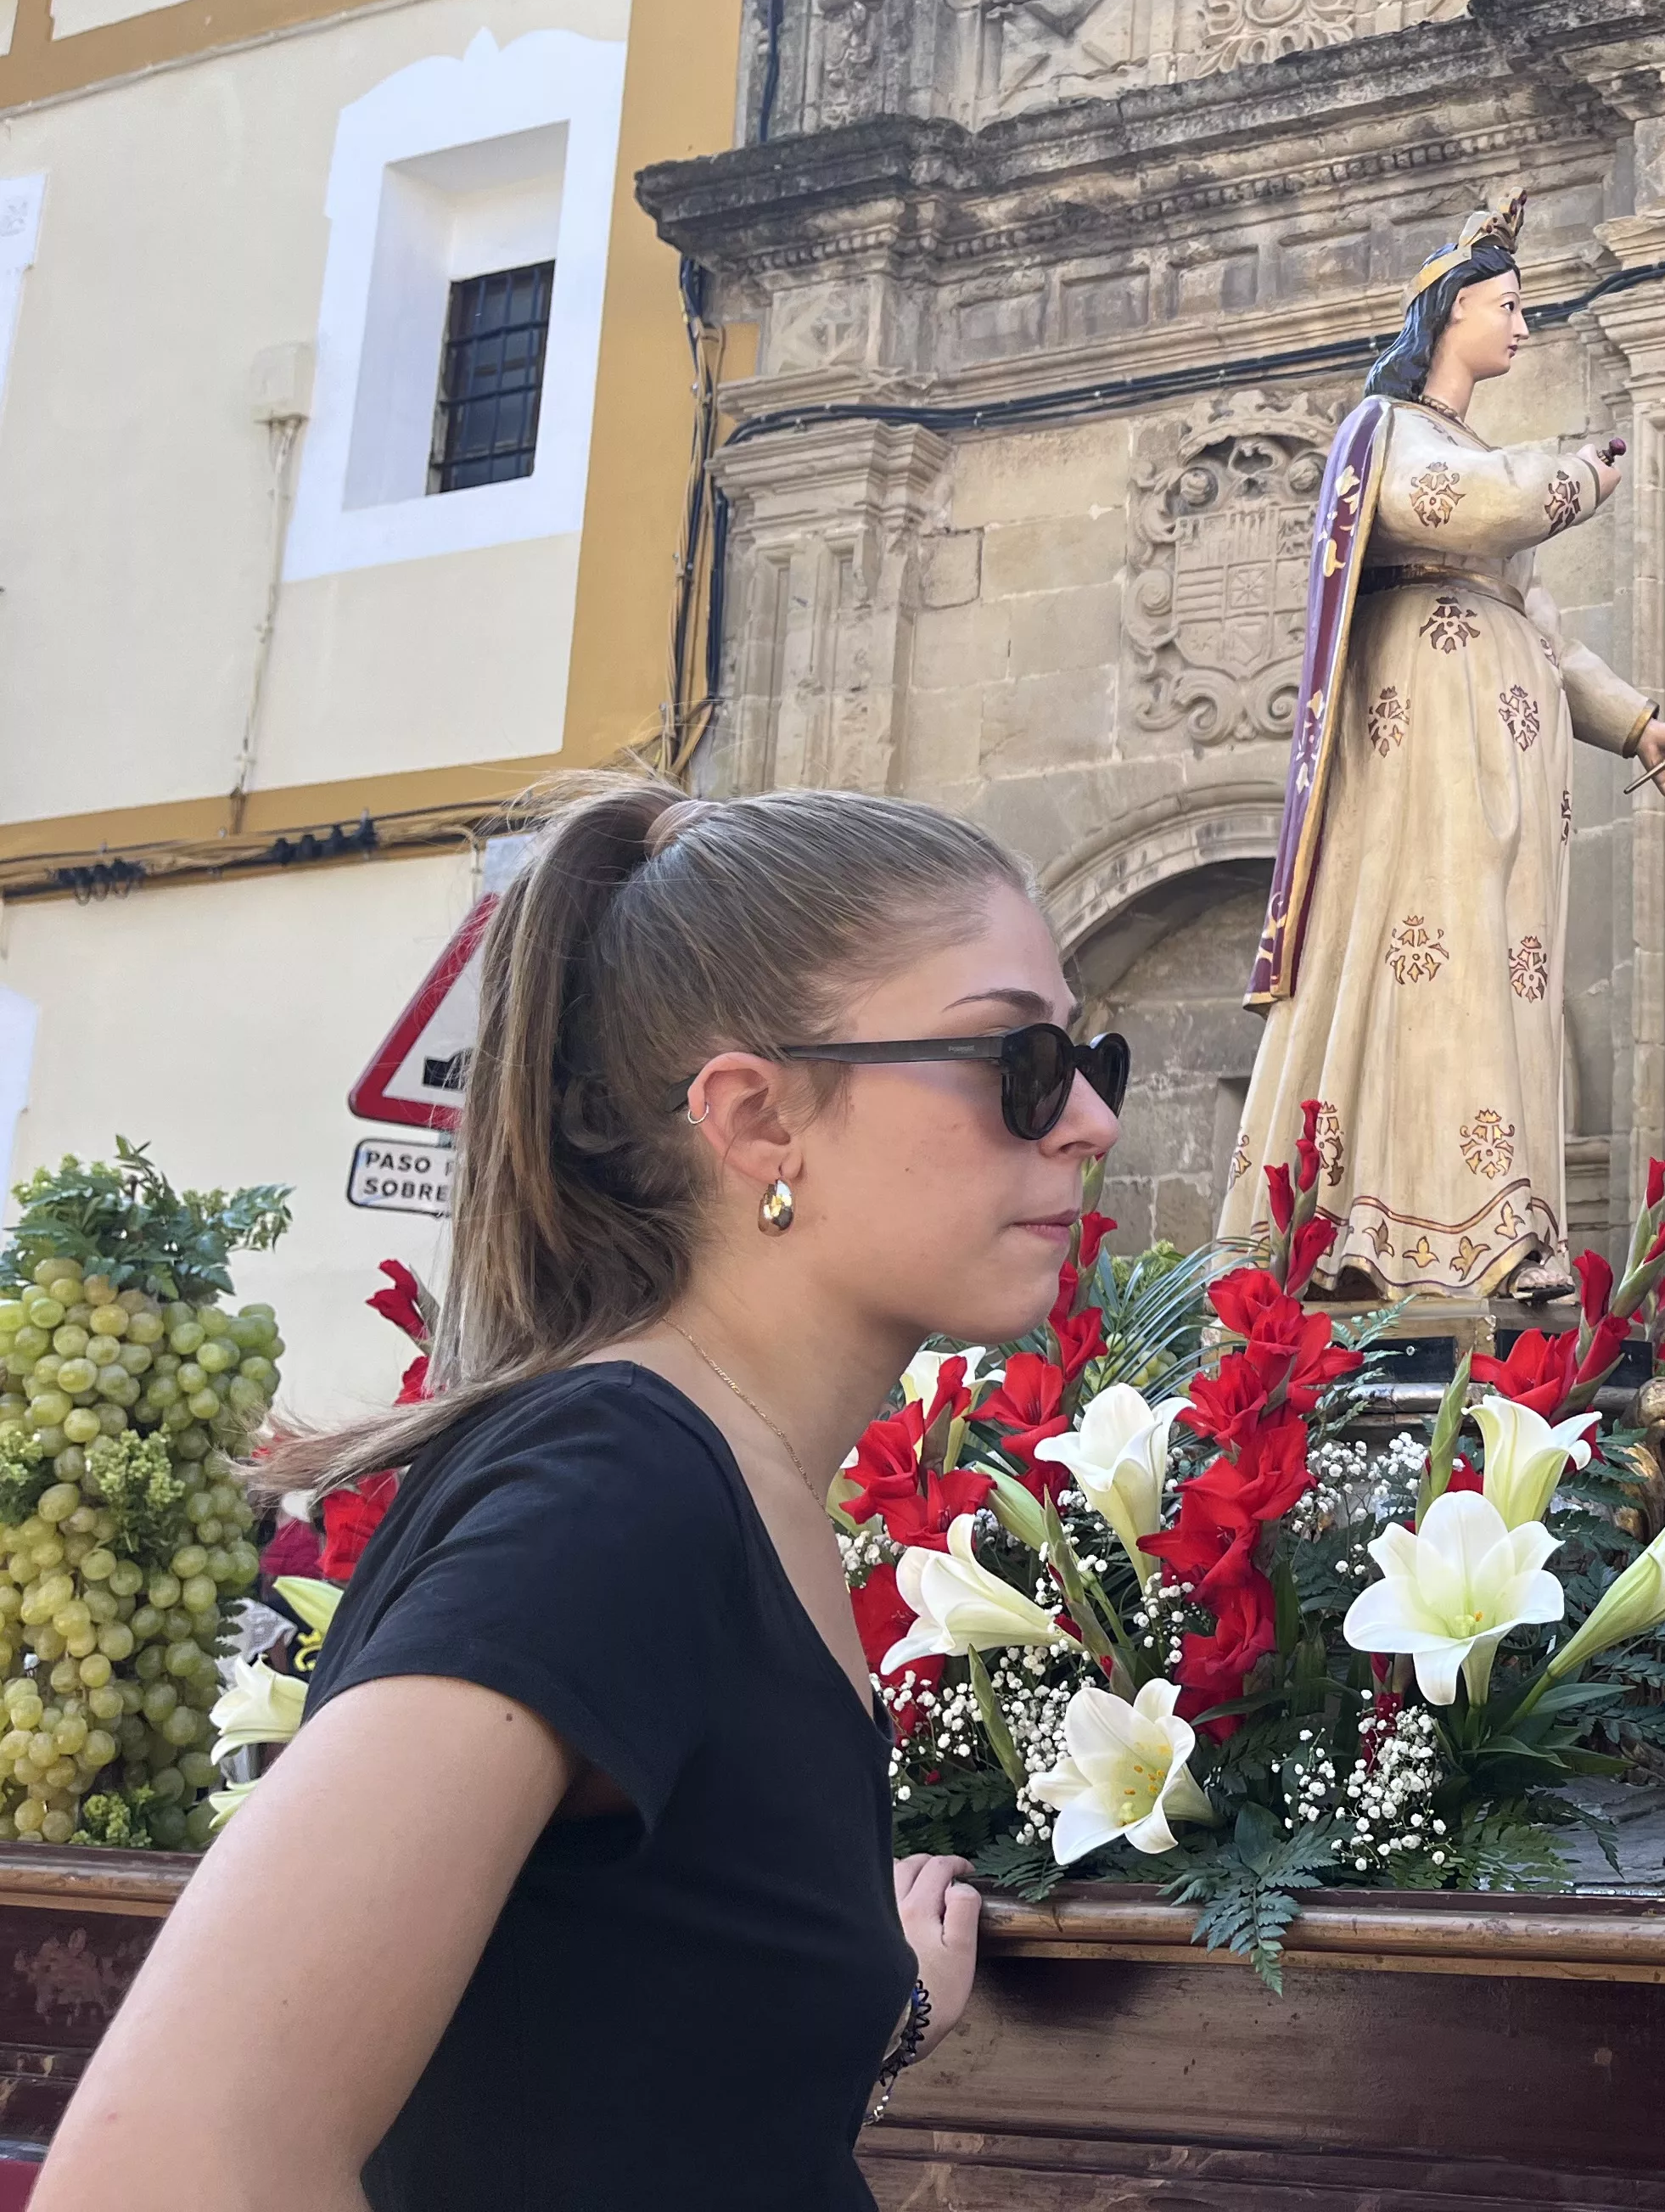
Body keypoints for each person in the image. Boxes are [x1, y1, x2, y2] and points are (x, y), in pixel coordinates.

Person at [37, 774, 1128, 2210]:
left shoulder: (731, 1484)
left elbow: (585, 2075)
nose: (1091, 1117)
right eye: (1019, 1056)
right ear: (755, 1118)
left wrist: (862, 2006)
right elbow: (168, 2165)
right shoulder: (620, 1491)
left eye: (1089, 1053)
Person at [1224, 191, 1665, 1305]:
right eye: (1509, 304)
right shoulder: (1386, 434)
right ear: (1449, 314)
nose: (1524, 328)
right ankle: (1413, 1236)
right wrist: (1583, 471)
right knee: (1430, 956)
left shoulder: (1474, 452)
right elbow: (1466, 509)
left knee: (1502, 969)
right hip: (1428, 736)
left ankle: (1501, 1227)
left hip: (1512, 750)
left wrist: (1639, 724)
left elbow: (1549, 629)